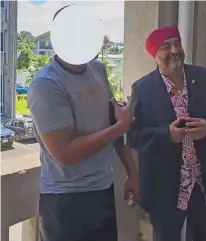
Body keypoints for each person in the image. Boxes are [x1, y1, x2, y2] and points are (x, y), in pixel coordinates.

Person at [27, 6, 138, 241]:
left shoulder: (97, 69)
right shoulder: (46, 83)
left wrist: (132, 173)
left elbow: (114, 122)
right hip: (65, 199)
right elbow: (64, 153)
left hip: (103, 189)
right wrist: (120, 126)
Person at [128, 26, 206, 241]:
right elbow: (134, 135)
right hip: (165, 188)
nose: (175, 49)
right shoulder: (142, 89)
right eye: (166, 46)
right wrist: (166, 135)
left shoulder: (202, 76)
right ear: (154, 54)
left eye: (177, 43)